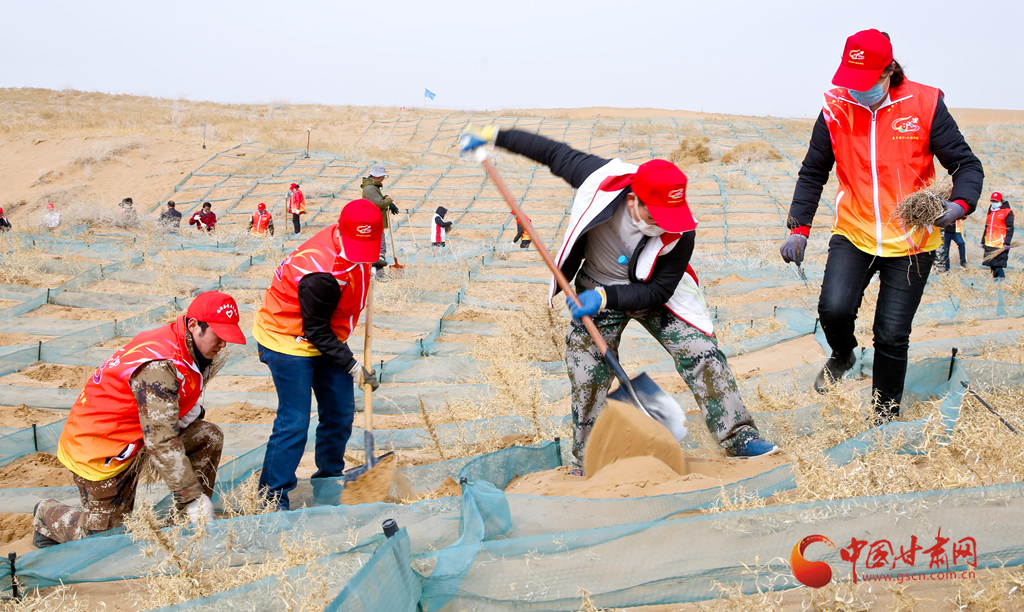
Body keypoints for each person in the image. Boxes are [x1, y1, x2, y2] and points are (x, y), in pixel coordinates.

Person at [459, 125, 779, 472]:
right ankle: (588, 456)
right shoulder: (600, 179)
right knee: (586, 366)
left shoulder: (682, 230)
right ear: (632, 201)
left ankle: (739, 436)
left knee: (701, 351)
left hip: (655, 293)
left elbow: (658, 292)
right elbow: (551, 152)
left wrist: (605, 297)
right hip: (596, 284)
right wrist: (494, 136)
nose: (664, 224)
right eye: (655, 216)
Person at [780, 29, 984, 420]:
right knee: (834, 309)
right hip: (854, 232)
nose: (856, 90)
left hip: (912, 241)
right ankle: (843, 354)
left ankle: (884, 416)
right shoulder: (835, 108)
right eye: (850, 81)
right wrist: (798, 228)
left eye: (866, 81)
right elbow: (813, 172)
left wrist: (960, 205)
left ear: (889, 71)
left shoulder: (925, 104)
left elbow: (965, 164)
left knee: (891, 335)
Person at [32, 291, 246, 546]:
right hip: (101, 447)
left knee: (208, 436)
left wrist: (186, 411)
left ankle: (186, 531)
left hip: (136, 435)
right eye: (218, 335)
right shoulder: (159, 365)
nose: (223, 344)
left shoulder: (192, 348)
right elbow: (161, 440)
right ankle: (47, 514)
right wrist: (192, 497)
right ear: (193, 326)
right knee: (103, 544)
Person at [253, 199, 381, 510]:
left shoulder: (354, 242)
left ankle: (327, 482)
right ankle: (272, 498)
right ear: (342, 233)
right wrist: (352, 366)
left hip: (325, 333)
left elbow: (326, 329)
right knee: (295, 421)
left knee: (339, 412)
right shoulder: (319, 272)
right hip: (286, 337)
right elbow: (316, 331)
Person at [361, 164, 399, 270]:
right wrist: (389, 200)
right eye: (382, 176)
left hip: (375, 221)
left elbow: (378, 200)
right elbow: (380, 203)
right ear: (376, 176)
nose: (383, 178)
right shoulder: (370, 188)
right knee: (378, 249)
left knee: (379, 248)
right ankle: (377, 274)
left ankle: (377, 273)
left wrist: (387, 200)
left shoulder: (373, 187)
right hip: (373, 222)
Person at [982, 192, 1013, 280]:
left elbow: (1010, 228)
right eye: (992, 201)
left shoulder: (1007, 212)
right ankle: (996, 283)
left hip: (1000, 244)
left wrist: (1007, 242)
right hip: (989, 244)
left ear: (1001, 201)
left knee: (998, 265)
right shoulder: (990, 211)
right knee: (992, 266)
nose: (994, 203)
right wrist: (983, 241)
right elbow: (987, 227)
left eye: (996, 201)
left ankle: (1002, 282)